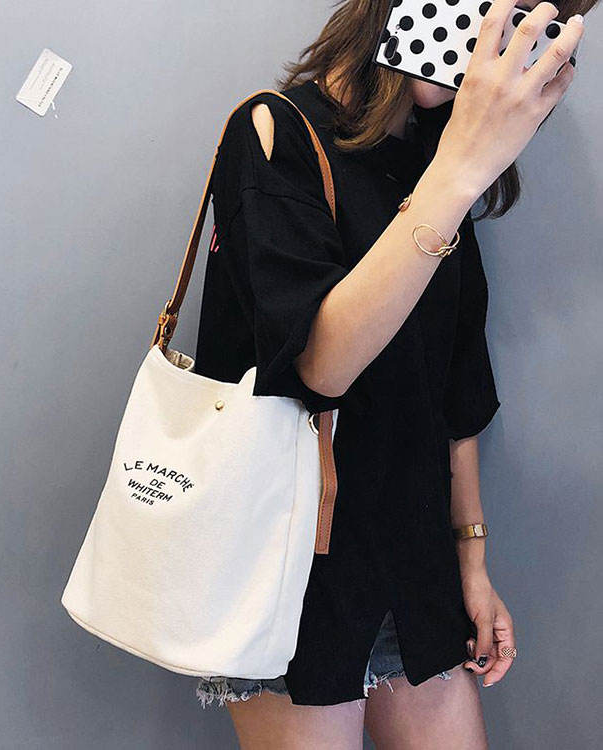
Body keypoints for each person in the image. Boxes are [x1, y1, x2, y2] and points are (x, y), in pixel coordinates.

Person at [191, 0, 587, 747]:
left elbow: (456, 384)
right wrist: (461, 168)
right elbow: (322, 366)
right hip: (290, 571)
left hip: (412, 558)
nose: (502, 41)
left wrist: (471, 560)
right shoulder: (275, 131)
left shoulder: (433, 154)